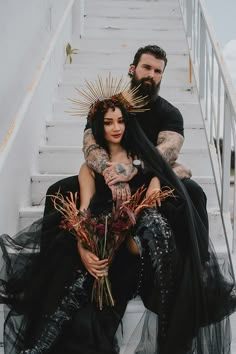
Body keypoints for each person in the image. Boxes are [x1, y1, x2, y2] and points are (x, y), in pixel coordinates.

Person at [0, 76, 235, 354]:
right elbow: (84, 212)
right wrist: (84, 247)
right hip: (108, 241)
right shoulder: (90, 167)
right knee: (81, 305)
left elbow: (183, 171)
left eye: (121, 121)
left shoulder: (141, 157)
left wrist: (155, 178)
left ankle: (177, 318)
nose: (116, 127)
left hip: (138, 242)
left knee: (162, 218)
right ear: (99, 126)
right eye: (109, 122)